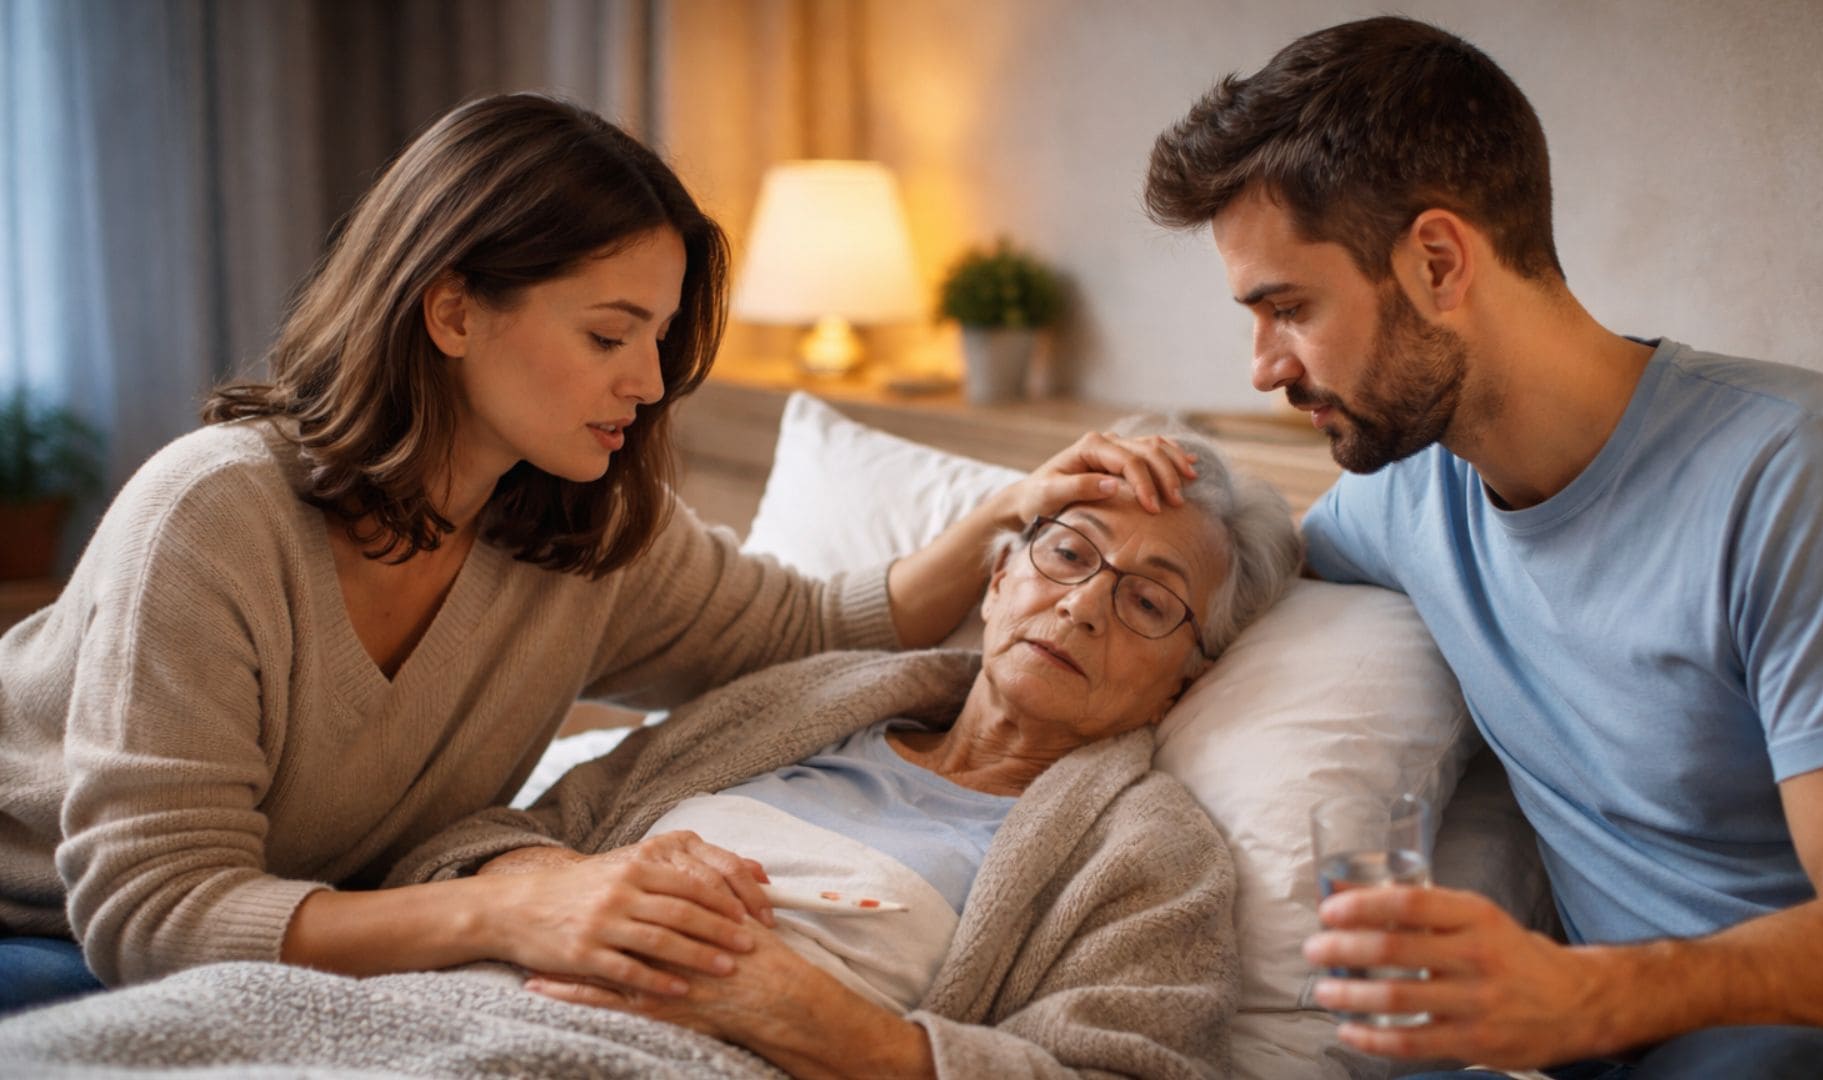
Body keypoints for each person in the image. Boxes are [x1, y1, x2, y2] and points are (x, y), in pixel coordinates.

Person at [0, 92, 1194, 1016]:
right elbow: (153, 912)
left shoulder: (578, 534)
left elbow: (805, 630)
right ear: (454, 310)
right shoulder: (217, 513)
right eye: (609, 333)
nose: (649, 381)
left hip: (268, 947)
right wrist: (518, 907)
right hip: (44, 927)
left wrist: (1008, 520)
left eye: (661, 338)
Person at [0, 432, 1303, 1080]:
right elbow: (466, 847)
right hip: (428, 996)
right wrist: (555, 900)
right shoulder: (798, 703)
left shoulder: (1152, 853)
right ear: (1002, 568)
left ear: (1193, 668)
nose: (1083, 603)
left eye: (1147, 600)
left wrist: (805, 1015)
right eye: (1070, 551)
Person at [1144, 14, 1823, 1079]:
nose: (1263, 369)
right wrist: (1080, 506)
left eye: (1288, 308)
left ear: (1436, 262)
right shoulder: (1410, 494)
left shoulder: (1800, 474)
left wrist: (1587, 997)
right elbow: (1245, 560)